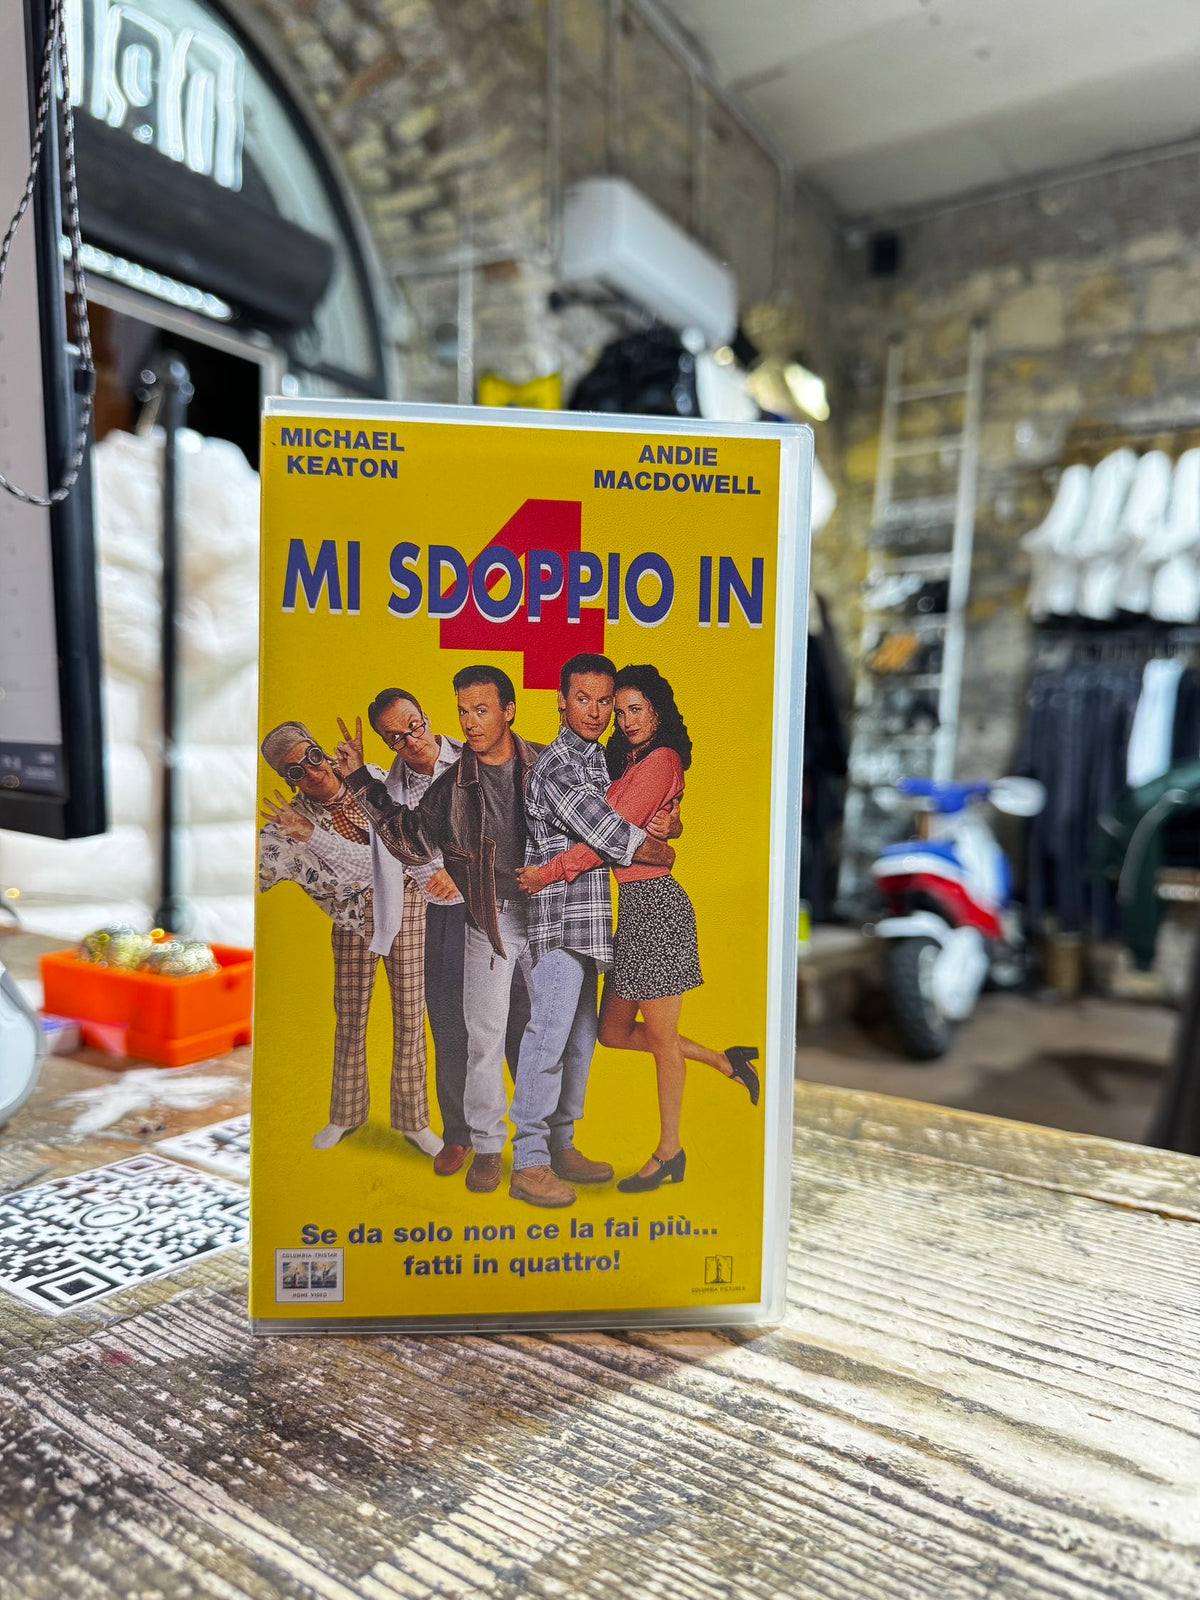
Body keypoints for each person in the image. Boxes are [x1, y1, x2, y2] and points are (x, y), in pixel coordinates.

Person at [517, 665, 759, 1193]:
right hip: (620, 912)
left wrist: (549, 871)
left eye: (630, 708)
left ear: (657, 711)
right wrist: (666, 838)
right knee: (610, 1033)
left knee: (656, 1039)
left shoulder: (658, 759)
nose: (621, 719)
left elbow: (610, 837)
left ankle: (669, 1152)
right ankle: (724, 1061)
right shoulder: (605, 762)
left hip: (655, 908)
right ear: (562, 701)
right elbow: (621, 832)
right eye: (617, 708)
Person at [339, 667, 542, 1195]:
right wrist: (358, 778)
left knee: (519, 1019)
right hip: (440, 915)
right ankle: (462, 1135)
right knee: (450, 1023)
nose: (410, 740)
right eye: (395, 737)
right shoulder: (393, 788)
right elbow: (402, 842)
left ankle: (537, 1141)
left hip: (501, 904)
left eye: (414, 725)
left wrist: (463, 869)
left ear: (426, 718)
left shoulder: (479, 755)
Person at [509, 653, 677, 1208]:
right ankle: (529, 1161)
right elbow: (609, 833)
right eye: (583, 699)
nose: (597, 712)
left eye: (606, 701)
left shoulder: (599, 764)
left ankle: (561, 1146)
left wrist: (670, 822)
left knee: (580, 1043)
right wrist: (661, 849)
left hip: (592, 926)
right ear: (561, 701)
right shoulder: (556, 768)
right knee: (547, 1038)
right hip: (559, 923)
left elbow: (638, 813)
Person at [257, 721, 441, 1157]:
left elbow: (400, 852)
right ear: (288, 780)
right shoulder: (287, 823)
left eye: (312, 756)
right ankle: (345, 1115)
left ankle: (414, 1123)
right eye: (296, 771)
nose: (312, 771)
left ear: (322, 750)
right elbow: (255, 870)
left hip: (408, 907)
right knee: (351, 1019)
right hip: (352, 921)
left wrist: (316, 838)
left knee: (411, 1017)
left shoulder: (372, 778)